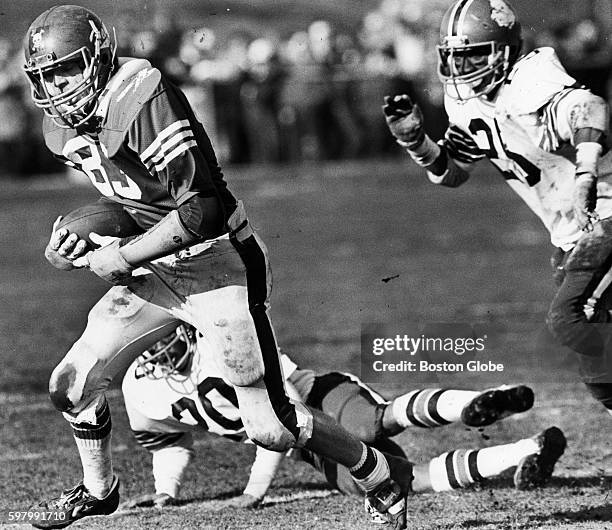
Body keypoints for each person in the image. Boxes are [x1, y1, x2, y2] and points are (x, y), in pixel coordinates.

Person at [23, 6, 408, 528]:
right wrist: (67, 245)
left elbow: (201, 210)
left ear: (97, 58)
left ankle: (376, 472)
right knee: (69, 384)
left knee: (271, 426)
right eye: (46, 75)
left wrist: (122, 254)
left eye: (66, 69)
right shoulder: (62, 126)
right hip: (160, 266)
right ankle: (98, 489)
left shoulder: (142, 98)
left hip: (219, 264)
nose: (57, 87)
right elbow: (134, 204)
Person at [382, 0, 612, 417]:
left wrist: (585, 176)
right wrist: (417, 144)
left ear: (504, 49)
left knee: (573, 319)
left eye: (472, 53)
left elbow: (592, 108)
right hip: (570, 234)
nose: (462, 66)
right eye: (454, 55)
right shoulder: (467, 103)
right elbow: (453, 171)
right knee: (598, 370)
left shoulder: (530, 77)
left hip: (605, 216)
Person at [120, 325, 565, 510]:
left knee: (367, 425)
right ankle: (529, 448)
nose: (161, 348)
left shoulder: (227, 341)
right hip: (308, 447)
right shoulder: (139, 390)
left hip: (318, 398)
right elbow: (168, 442)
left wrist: (255, 489)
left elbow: (283, 417)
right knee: (393, 483)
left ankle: (475, 403)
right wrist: (165, 491)